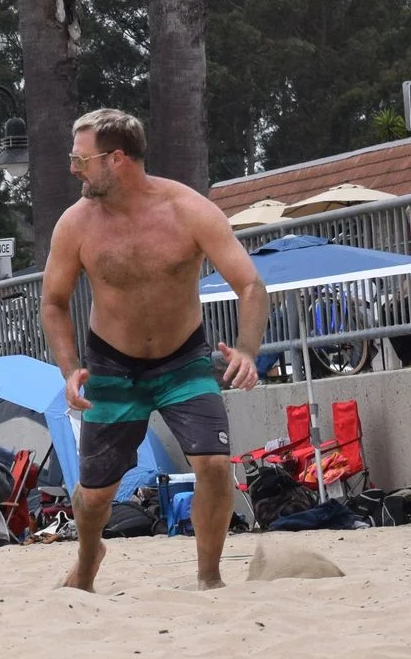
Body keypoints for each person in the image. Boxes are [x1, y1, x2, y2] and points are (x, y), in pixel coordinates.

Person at [43, 109, 266, 593]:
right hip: (111, 364)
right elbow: (54, 303)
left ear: (116, 159)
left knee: (211, 463)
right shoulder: (76, 224)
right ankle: (88, 560)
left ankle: (209, 575)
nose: (73, 168)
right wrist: (69, 369)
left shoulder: (188, 210)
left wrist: (247, 350)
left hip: (182, 359)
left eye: (80, 160)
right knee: (96, 496)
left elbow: (249, 284)